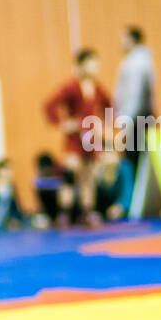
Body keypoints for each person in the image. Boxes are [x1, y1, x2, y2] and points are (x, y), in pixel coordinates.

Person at [45, 48, 111, 227]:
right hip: (75, 138)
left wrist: (104, 124)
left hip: (90, 138)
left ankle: (87, 212)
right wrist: (62, 122)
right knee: (69, 172)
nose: (95, 67)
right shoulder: (71, 86)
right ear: (81, 66)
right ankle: (64, 213)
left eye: (96, 63)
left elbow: (110, 104)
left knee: (88, 176)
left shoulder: (97, 87)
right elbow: (50, 103)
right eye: (91, 63)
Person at [113, 26, 155, 173]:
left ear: (132, 40)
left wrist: (126, 120)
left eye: (124, 39)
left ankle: (133, 195)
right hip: (140, 117)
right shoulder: (143, 60)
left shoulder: (135, 63)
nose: (121, 43)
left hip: (136, 118)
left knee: (134, 161)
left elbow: (133, 94)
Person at [32, 152, 75, 229]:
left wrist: (63, 213)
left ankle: (64, 216)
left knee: (66, 191)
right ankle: (49, 218)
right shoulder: (38, 181)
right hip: (48, 213)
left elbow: (66, 195)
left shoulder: (60, 176)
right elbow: (38, 203)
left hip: (61, 210)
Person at [94, 147, 134, 222]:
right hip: (104, 217)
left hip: (125, 217)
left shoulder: (125, 168)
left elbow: (128, 192)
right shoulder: (98, 170)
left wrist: (120, 206)